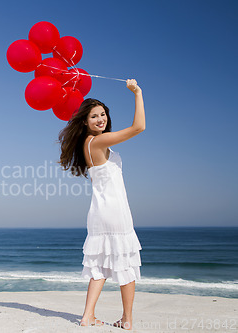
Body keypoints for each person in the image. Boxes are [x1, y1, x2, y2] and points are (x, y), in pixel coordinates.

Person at [57, 79, 145, 330]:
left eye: (103, 114)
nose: (100, 119)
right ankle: (127, 320)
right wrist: (137, 93)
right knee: (125, 264)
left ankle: (88, 316)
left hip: (98, 213)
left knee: (99, 266)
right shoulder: (98, 142)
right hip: (115, 212)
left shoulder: (88, 143)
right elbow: (139, 127)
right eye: (94, 116)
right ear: (85, 121)